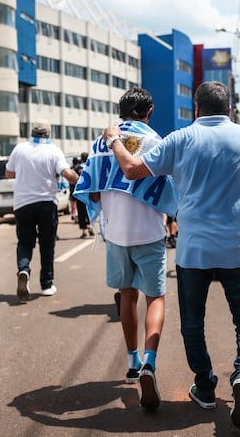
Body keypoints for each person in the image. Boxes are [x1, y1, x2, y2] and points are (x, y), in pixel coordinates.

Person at [103, 81, 240, 430]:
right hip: (239, 248)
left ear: (196, 108)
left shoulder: (181, 138)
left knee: (192, 323)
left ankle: (206, 385)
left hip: (194, 250)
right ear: (229, 108)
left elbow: (132, 169)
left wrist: (113, 139)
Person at [74, 87, 178, 410]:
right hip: (148, 232)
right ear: (149, 112)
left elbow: (90, 192)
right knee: (155, 297)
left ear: (121, 113)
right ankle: (149, 361)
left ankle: (132, 361)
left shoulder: (100, 143)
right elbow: (171, 190)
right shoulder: (156, 142)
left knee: (127, 296)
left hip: (116, 234)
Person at [5, 119, 79, 300]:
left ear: (32, 133)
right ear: (48, 133)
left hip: (22, 203)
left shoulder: (20, 149)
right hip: (46, 203)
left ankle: (23, 270)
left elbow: (8, 173)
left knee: (24, 242)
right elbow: (67, 175)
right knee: (47, 244)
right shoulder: (53, 150)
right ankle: (46, 284)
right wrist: (79, 178)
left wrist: (24, 171)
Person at [74, 152, 94, 238]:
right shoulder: (91, 166)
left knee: (81, 212)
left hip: (80, 192)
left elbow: (73, 180)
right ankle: (90, 226)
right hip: (89, 192)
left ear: (81, 158)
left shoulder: (77, 168)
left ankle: (84, 231)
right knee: (89, 210)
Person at [69, 156, 80, 223]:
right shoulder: (78, 168)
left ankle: (73, 215)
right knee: (77, 204)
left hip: (72, 188)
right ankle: (76, 215)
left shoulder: (71, 169)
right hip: (77, 188)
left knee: (73, 203)